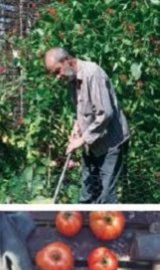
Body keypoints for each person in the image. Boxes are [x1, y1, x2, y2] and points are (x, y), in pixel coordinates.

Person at [44, 47, 130, 203]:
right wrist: (76, 128)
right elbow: (82, 109)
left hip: (110, 143)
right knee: (87, 192)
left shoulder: (92, 73)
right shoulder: (72, 79)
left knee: (106, 196)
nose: (57, 77)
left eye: (57, 71)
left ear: (67, 61)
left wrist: (81, 140)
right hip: (91, 143)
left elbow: (105, 114)